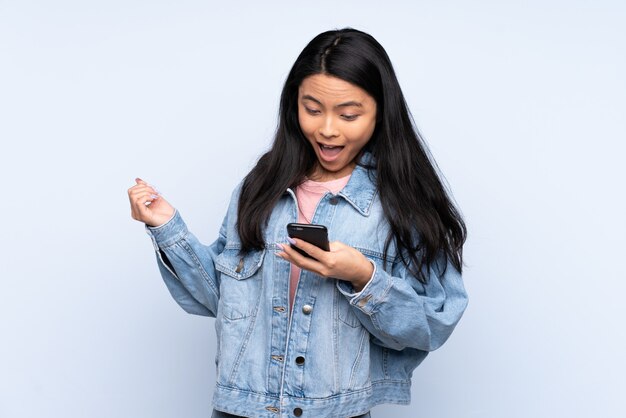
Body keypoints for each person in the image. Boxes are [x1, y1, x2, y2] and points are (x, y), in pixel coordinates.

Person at [127, 28, 468, 418]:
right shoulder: (260, 187)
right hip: (242, 408)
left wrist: (363, 277)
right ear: (294, 106)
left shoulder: (400, 204)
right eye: (312, 108)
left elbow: (433, 324)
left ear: (380, 112)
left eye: (349, 114)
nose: (327, 129)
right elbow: (220, 300)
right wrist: (167, 227)